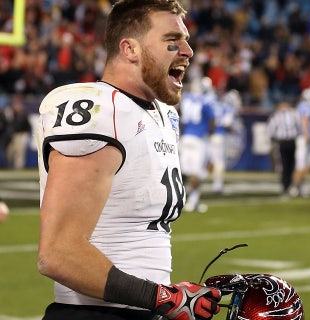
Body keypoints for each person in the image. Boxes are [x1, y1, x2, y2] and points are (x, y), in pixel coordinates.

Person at [35, 1, 221, 319]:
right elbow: (58, 254)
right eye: (172, 40)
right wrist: (164, 298)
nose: (188, 51)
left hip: (142, 309)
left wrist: (166, 297)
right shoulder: (99, 109)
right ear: (130, 49)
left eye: (187, 40)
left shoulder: (164, 115)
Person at [179, 77, 216, 212]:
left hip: (185, 137)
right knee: (196, 173)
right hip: (198, 138)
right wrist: (209, 133)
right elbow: (212, 120)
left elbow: (181, 118)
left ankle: (180, 200)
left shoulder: (186, 98)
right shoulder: (206, 101)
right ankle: (193, 202)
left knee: (184, 172)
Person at [290, 85, 310, 198]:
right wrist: (307, 134)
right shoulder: (306, 106)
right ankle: (295, 186)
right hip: (303, 138)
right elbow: (305, 120)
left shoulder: (304, 106)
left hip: (303, 138)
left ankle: (299, 184)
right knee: (301, 163)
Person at [209, 89, 241, 194]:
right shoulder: (228, 108)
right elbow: (227, 124)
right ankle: (217, 186)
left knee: (211, 161)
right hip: (220, 136)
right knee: (219, 162)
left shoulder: (215, 105)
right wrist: (234, 130)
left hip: (211, 136)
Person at [267, 101, 301, 197]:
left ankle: (286, 186)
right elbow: (299, 128)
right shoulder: (294, 114)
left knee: (285, 165)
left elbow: (271, 130)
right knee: (289, 165)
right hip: (290, 141)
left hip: (283, 142)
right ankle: (288, 185)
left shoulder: (276, 116)